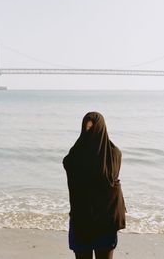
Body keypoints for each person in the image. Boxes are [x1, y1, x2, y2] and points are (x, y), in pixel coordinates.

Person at [63, 111, 126, 259]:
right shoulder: (76, 153)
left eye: (93, 129)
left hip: (105, 220)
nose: (89, 132)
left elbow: (108, 181)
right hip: (81, 218)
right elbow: (68, 164)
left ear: (101, 129)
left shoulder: (114, 154)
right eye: (86, 129)